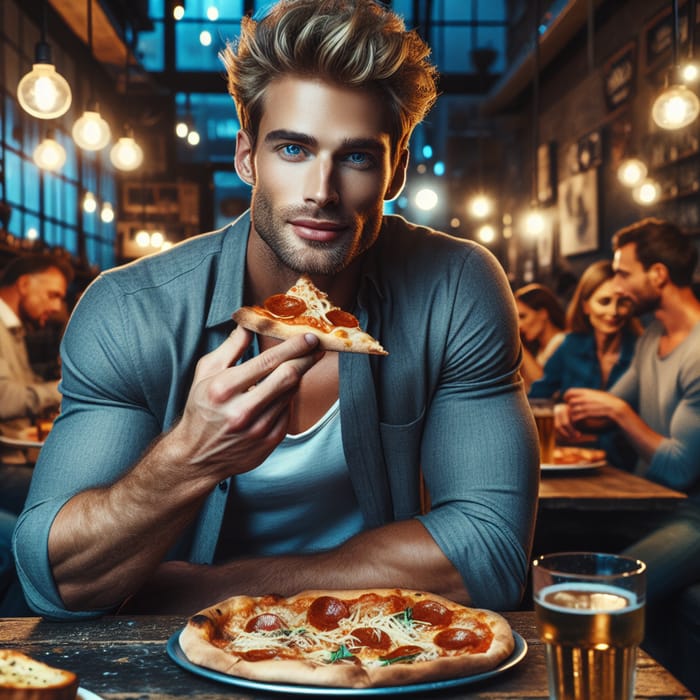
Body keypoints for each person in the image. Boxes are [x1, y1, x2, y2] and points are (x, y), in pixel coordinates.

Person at [14, 0, 539, 620]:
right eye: (293, 149)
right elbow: (56, 581)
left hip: (381, 655)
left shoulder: (457, 284)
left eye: (357, 156)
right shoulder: (130, 308)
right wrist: (190, 455)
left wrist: (226, 587)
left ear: (395, 169)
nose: (322, 190)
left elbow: (494, 555)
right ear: (246, 157)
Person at [559, 218, 700, 603]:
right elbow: (599, 412)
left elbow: (680, 467)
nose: (617, 286)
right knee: (551, 538)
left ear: (658, 275)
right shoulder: (653, 335)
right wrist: (568, 414)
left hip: (692, 513)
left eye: (623, 273)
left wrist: (620, 412)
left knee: (598, 593)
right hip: (650, 500)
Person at [530, 260, 642, 467]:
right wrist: (555, 408)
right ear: (586, 306)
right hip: (575, 462)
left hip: (627, 467)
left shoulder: (642, 350)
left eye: (623, 302)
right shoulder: (570, 346)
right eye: (605, 301)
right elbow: (534, 399)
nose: (614, 312)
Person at [0, 253, 72, 516]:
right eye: (53, 295)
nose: (56, 307)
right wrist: (65, 388)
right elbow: (4, 399)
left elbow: (22, 385)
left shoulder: (11, 328)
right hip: (5, 465)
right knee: (72, 494)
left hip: (16, 457)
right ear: (23, 285)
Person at [514, 283, 566, 391]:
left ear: (543, 313)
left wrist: (519, 345)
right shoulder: (539, 349)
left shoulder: (562, 342)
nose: (519, 325)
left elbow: (543, 385)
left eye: (523, 316)